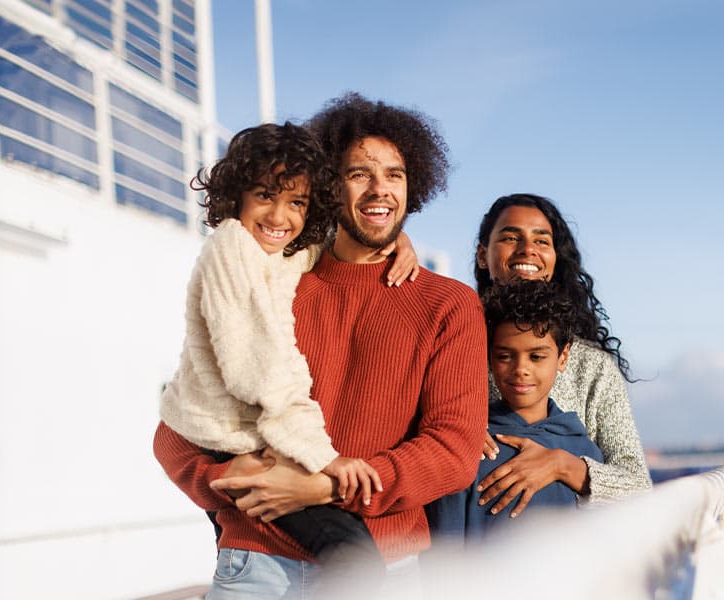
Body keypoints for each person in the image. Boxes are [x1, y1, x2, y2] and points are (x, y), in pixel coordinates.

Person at [153, 93, 488, 598]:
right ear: (330, 186)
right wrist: (227, 477)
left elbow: (453, 451)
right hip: (257, 565)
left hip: (381, 566)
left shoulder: (450, 304)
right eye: (360, 174)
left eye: (394, 174)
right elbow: (176, 429)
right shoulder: (272, 283)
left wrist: (330, 487)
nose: (380, 189)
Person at [159, 122, 419, 575]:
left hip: (237, 437)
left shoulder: (272, 253)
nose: (280, 217)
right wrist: (325, 459)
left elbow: (316, 249)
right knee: (354, 557)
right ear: (236, 196)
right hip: (227, 441)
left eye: (296, 202)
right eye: (265, 196)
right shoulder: (231, 247)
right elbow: (260, 370)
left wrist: (394, 236)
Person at [472, 194, 651, 518]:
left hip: (569, 551)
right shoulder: (452, 346)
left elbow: (638, 487)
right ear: (483, 256)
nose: (528, 249)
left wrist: (562, 464)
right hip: (474, 543)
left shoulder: (591, 367)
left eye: (542, 240)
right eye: (511, 237)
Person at [428, 280, 604, 545]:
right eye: (505, 356)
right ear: (488, 357)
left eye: (536, 357)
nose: (520, 369)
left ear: (563, 357)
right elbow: (443, 554)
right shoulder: (468, 442)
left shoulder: (585, 453)